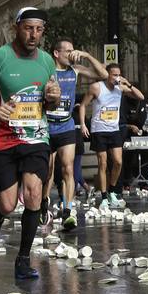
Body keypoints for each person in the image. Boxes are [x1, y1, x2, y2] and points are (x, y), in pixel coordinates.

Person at [0, 7, 61, 280]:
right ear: (17, 27)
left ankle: (22, 259)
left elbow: (51, 99)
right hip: (3, 141)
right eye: (28, 28)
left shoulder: (46, 61)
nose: (33, 35)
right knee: (8, 205)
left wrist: (53, 96)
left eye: (39, 29)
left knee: (33, 193)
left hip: (36, 138)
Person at [46, 39, 106, 231]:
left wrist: (87, 55)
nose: (72, 54)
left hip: (66, 126)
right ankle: (43, 206)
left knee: (68, 169)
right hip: (47, 127)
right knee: (47, 171)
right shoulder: (47, 70)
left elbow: (103, 74)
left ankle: (67, 211)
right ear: (56, 53)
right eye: (68, 51)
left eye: (74, 50)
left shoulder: (76, 69)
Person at [84, 64, 144, 203]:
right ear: (107, 75)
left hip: (114, 129)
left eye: (118, 75)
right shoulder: (97, 87)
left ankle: (111, 190)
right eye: (114, 75)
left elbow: (140, 96)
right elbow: (83, 106)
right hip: (99, 129)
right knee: (103, 163)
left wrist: (127, 83)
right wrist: (83, 124)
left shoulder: (120, 88)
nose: (116, 77)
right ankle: (104, 196)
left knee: (118, 161)